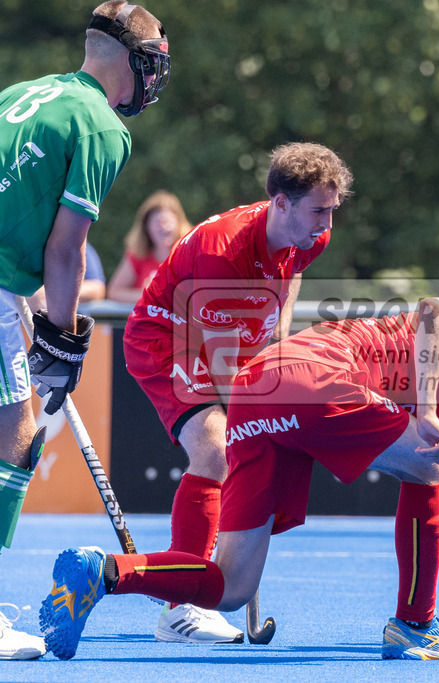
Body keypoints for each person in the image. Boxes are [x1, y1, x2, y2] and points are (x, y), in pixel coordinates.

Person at [40, 274, 439, 660]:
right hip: (314, 378)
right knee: (426, 467)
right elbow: (438, 308)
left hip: (255, 389)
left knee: (232, 587)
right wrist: (428, 410)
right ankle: (417, 624)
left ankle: (103, 572)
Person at [114, 141, 350, 644]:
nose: (326, 224)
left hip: (227, 337)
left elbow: (289, 282)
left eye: (332, 211)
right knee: (220, 448)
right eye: (318, 211)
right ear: (280, 203)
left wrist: (280, 347)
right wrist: (261, 416)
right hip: (167, 338)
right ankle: (181, 607)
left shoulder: (311, 233)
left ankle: (191, 589)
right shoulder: (224, 251)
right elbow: (221, 365)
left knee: (243, 437)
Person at [0, 0, 169, 660]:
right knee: (16, 432)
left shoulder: (24, 92)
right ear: (132, 61)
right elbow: (67, 248)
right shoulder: (101, 125)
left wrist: (40, 317)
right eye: (153, 62)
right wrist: (61, 344)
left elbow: (25, 224)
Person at [106, 190, 192, 303]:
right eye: (157, 223)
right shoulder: (137, 255)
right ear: (146, 228)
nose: (163, 228)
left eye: (168, 222)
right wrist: (146, 294)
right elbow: (114, 292)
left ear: (179, 224)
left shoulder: (191, 254)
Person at [26, 242, 108, 312]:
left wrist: (52, 293)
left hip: (69, 326)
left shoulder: (76, 243)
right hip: (19, 324)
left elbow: (97, 289)